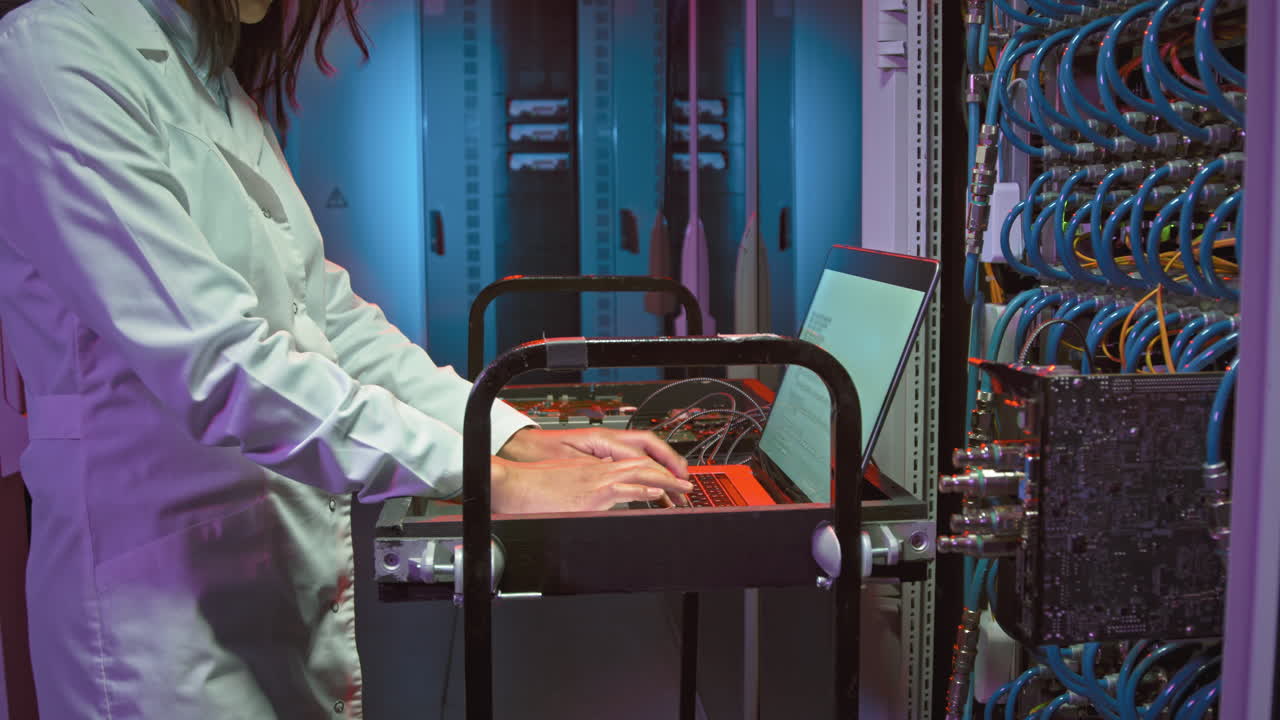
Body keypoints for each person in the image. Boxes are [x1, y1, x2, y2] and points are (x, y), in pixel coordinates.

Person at [0, 0, 693, 716]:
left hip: (271, 576)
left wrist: (511, 436)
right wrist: (488, 482)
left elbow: (329, 320)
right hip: (156, 617)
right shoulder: (53, 56)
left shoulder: (212, 80)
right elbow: (221, 363)